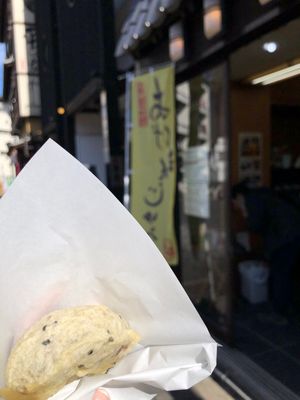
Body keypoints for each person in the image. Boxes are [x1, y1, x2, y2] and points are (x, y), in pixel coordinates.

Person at [232, 182, 300, 319]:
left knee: (280, 272)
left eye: (233, 201)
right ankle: (288, 306)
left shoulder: (251, 201)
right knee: (287, 271)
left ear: (239, 196)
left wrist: (245, 212)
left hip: (287, 236)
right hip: (293, 231)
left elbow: (257, 226)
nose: (234, 205)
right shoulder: (260, 195)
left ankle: (281, 311)